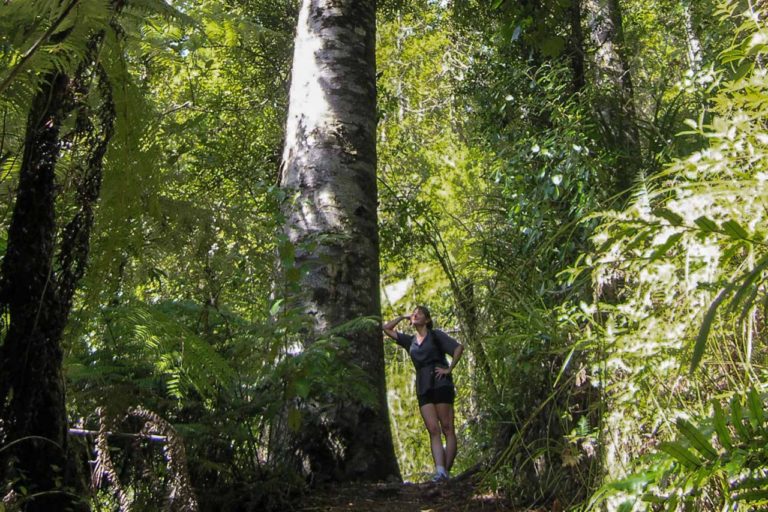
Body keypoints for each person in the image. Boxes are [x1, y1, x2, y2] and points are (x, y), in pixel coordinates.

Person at [382, 306, 464, 482]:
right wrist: (403, 317)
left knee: (447, 427)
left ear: (427, 320)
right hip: (423, 385)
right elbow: (386, 328)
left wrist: (449, 369)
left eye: (419, 313)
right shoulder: (410, 341)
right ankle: (440, 471)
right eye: (414, 313)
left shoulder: (435, 335)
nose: (415, 314)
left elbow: (458, 348)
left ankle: (446, 472)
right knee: (433, 429)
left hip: (440, 382)